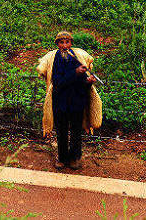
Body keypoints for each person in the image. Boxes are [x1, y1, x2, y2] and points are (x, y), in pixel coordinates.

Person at [36, 31, 102, 170]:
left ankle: (75, 158)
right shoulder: (56, 60)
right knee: (62, 131)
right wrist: (75, 72)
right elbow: (58, 82)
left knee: (76, 131)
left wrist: (88, 81)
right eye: (61, 42)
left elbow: (81, 82)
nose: (65, 46)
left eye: (67, 42)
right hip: (61, 102)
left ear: (71, 43)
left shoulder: (76, 58)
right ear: (57, 44)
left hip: (76, 102)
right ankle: (62, 158)